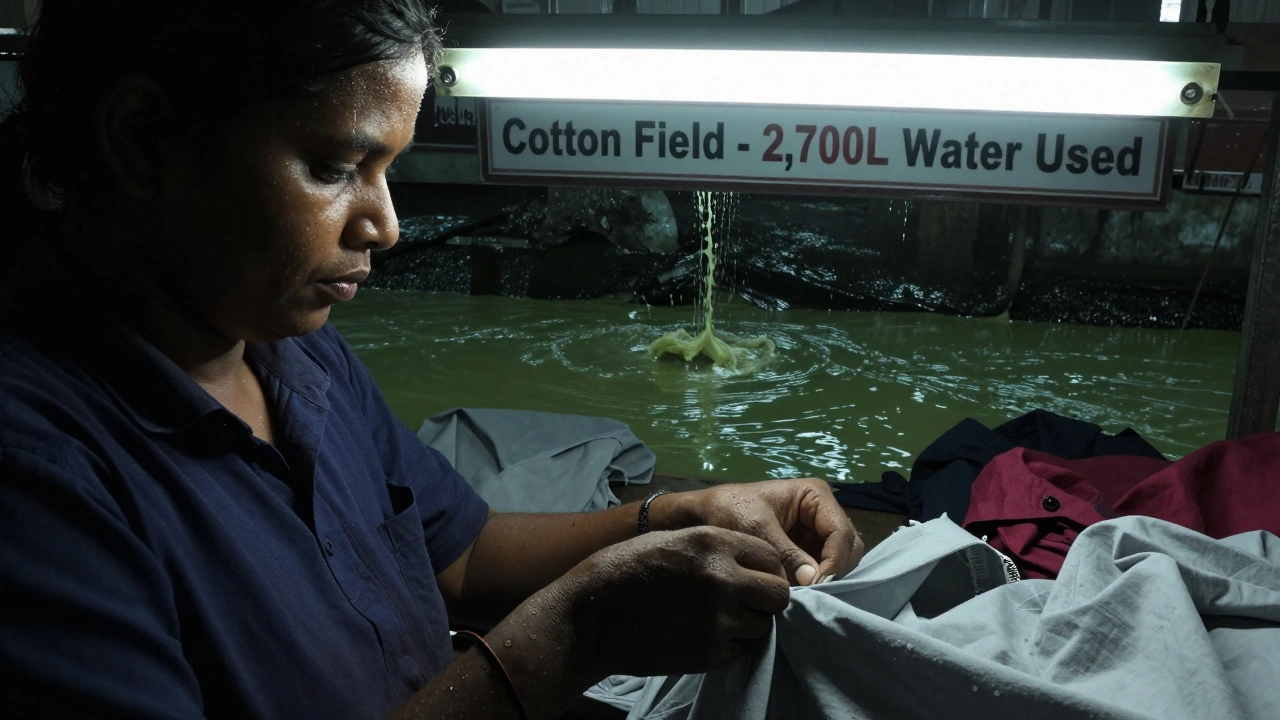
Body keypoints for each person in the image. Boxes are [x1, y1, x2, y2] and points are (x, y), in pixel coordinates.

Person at [0, 3, 864, 719]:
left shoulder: (291, 355)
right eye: (335, 167)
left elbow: (460, 555)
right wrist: (572, 637)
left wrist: (680, 517)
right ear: (144, 142)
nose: (384, 224)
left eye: (388, 170)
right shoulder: (40, 480)